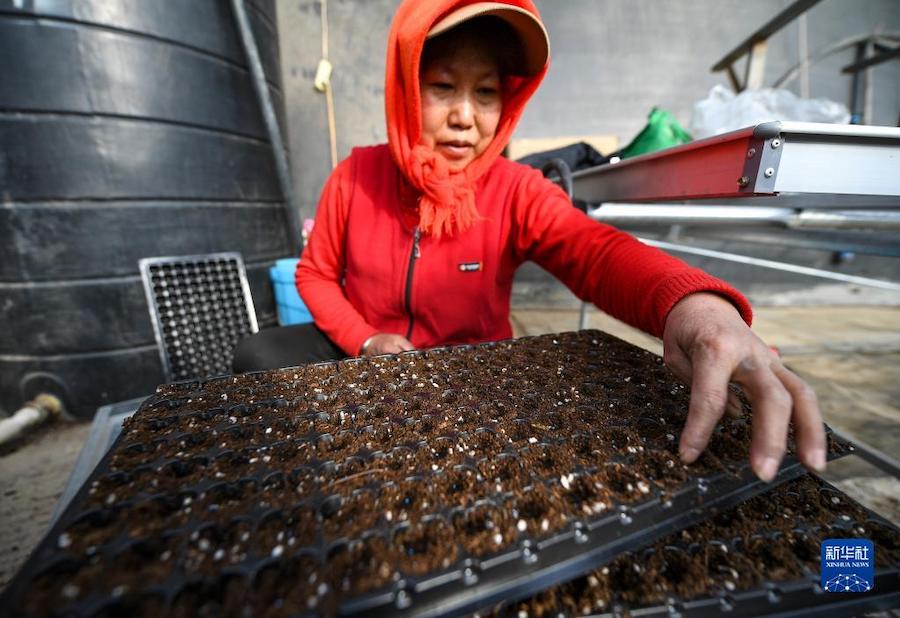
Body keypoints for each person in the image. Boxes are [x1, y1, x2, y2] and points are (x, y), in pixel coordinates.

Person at [233, 0, 826, 483]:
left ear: (507, 101)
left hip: (468, 377)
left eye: (486, 93)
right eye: (442, 86)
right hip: (369, 362)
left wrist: (693, 305)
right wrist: (365, 340)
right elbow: (314, 274)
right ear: (403, 87)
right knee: (261, 357)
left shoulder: (515, 189)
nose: (466, 116)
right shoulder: (354, 176)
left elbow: (591, 248)